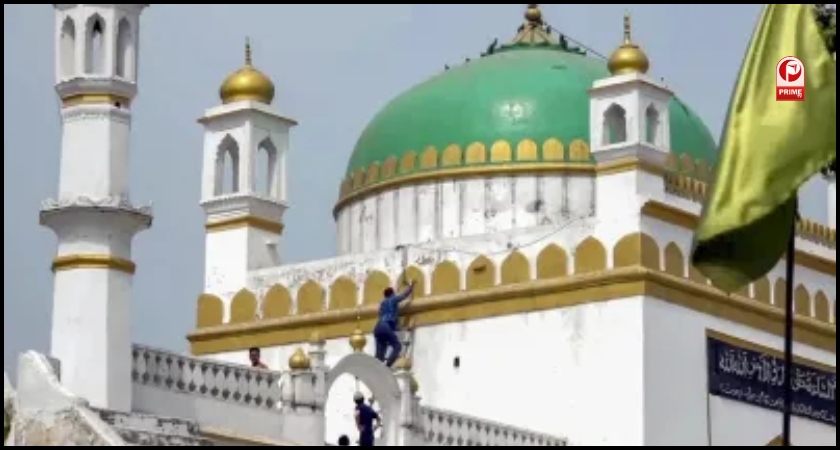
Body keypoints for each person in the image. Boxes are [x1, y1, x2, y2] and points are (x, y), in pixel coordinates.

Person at [374, 281, 415, 367]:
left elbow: (394, 326)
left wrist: (402, 327)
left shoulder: (382, 304)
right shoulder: (392, 299)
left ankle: (376, 370)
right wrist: (411, 286)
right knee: (397, 346)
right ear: (392, 294)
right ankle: (387, 366)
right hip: (385, 326)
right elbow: (403, 296)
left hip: (377, 328)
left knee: (379, 357)